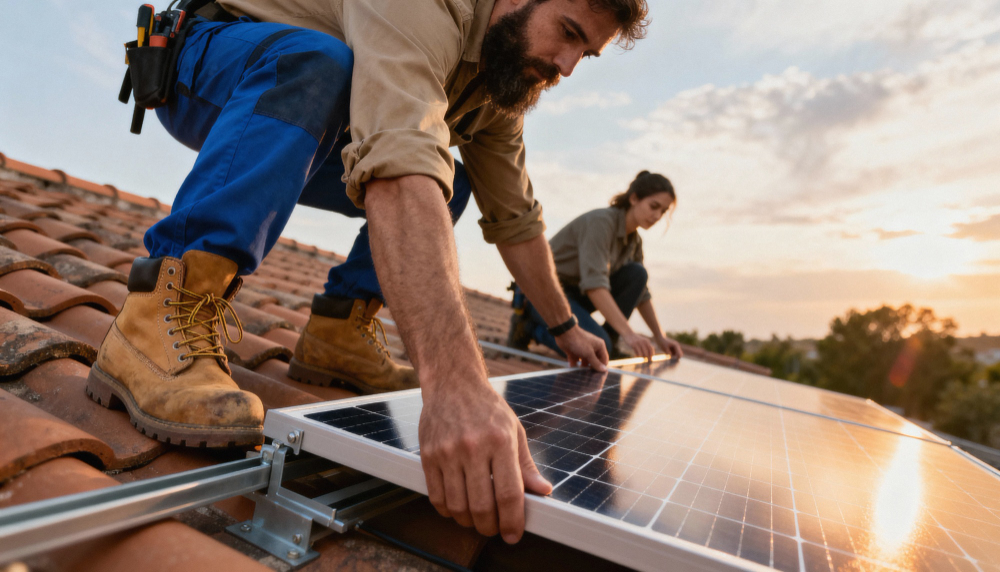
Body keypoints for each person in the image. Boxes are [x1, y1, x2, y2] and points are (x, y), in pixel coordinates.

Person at [88, 0, 650, 544]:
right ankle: (157, 313)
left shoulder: (496, 89)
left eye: (587, 55)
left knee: (449, 177)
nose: (567, 66)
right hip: (209, 59)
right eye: (569, 32)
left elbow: (516, 221)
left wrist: (562, 326)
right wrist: (455, 386)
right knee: (324, 66)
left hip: (308, 109)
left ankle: (338, 332)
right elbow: (399, 161)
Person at [509, 171, 684, 360]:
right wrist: (630, 335)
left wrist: (660, 337)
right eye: (654, 206)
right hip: (543, 295)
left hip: (575, 296)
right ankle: (528, 327)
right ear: (634, 199)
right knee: (597, 351)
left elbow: (642, 294)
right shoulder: (600, 223)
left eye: (663, 211)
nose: (657, 215)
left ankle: (610, 341)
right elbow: (594, 286)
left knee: (637, 274)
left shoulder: (634, 241)